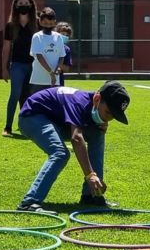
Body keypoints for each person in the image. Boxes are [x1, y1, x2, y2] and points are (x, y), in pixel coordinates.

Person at [16, 82, 131, 214]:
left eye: (113, 117)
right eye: (108, 113)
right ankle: (29, 202)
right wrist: (90, 175)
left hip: (56, 121)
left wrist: (100, 122)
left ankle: (91, 195)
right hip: (32, 117)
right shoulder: (79, 102)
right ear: (97, 99)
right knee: (60, 153)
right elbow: (76, 138)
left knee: (97, 134)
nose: (108, 119)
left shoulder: (93, 105)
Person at [1, 0, 37, 136]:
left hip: (35, 65)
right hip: (17, 64)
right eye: (20, 3)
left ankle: (27, 126)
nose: (23, 6)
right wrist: (4, 68)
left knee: (30, 96)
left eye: (26, 3)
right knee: (15, 94)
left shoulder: (38, 23)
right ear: (15, 6)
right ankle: (7, 127)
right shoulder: (11, 26)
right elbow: (6, 47)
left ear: (31, 5)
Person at [28, 7, 65, 95]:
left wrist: (57, 69)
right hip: (38, 80)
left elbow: (61, 56)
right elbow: (39, 56)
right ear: (40, 22)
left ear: (54, 22)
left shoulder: (58, 37)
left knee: (53, 106)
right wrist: (50, 72)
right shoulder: (37, 36)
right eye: (45, 23)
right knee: (37, 106)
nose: (48, 26)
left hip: (55, 81)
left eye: (50, 23)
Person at [55, 21, 73, 86]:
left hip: (59, 79)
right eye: (62, 34)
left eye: (67, 35)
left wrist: (57, 66)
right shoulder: (49, 45)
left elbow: (66, 68)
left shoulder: (66, 49)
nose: (64, 36)